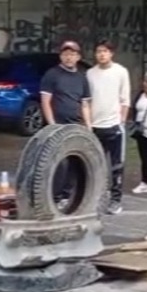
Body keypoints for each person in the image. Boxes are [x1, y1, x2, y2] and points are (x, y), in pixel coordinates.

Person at [40, 41, 91, 206]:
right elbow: (45, 101)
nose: (69, 57)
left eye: (72, 54)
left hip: (74, 127)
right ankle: (52, 197)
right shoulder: (52, 74)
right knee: (57, 163)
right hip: (57, 126)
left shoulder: (82, 77)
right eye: (66, 54)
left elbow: (84, 104)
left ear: (78, 57)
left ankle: (65, 196)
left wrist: (88, 126)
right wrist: (52, 125)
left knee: (73, 162)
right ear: (61, 56)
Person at [86, 40, 131, 215]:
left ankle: (116, 200)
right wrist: (88, 124)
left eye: (105, 51)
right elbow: (86, 101)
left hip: (114, 126)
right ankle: (95, 198)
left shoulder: (120, 72)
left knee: (116, 166)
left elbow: (125, 99)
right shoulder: (90, 73)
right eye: (98, 51)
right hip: (95, 127)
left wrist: (121, 122)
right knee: (95, 165)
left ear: (111, 53)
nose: (102, 54)